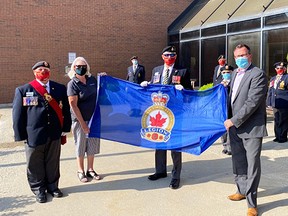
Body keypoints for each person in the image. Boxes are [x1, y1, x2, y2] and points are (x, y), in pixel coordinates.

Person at [12, 61, 72, 203]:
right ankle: (39, 189)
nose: (43, 71)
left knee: (53, 162)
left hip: (54, 133)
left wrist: (65, 129)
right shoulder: (23, 90)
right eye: (40, 69)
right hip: (33, 134)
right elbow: (18, 115)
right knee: (34, 164)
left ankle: (53, 187)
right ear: (34, 72)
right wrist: (20, 134)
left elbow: (65, 111)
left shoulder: (59, 88)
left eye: (46, 69)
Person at [224, 44, 268, 216]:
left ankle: (252, 203)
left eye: (243, 55)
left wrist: (233, 120)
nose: (240, 59)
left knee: (252, 166)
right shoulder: (234, 73)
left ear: (250, 56)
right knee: (239, 162)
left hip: (251, 128)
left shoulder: (258, 74)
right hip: (234, 128)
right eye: (237, 56)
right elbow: (232, 99)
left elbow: (252, 102)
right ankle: (241, 191)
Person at [141, 45, 192, 189]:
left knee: (175, 145)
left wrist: (183, 89)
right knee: (159, 141)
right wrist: (146, 85)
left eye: (173, 55)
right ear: (162, 56)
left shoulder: (183, 71)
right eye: (167, 55)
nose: (170, 58)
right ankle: (160, 171)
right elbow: (154, 88)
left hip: (176, 114)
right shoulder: (156, 70)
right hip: (159, 112)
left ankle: (176, 176)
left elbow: (190, 93)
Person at [67, 57, 101, 183]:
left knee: (92, 145)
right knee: (81, 145)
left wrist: (104, 78)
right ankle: (80, 170)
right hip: (80, 120)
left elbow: (101, 91)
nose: (81, 68)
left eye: (83, 66)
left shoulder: (92, 80)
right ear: (73, 68)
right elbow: (73, 105)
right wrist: (83, 125)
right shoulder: (72, 84)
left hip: (93, 119)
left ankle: (90, 169)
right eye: (78, 66)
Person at [266, 62, 288, 143]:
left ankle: (283, 137)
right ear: (275, 69)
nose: (279, 70)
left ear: (285, 69)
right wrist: (268, 102)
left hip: (284, 103)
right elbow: (270, 91)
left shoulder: (286, 77)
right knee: (277, 120)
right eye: (278, 68)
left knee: (284, 120)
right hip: (275, 103)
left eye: (281, 68)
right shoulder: (273, 79)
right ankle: (277, 136)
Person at [220, 65, 234, 155]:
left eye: (228, 72)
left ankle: (230, 147)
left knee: (231, 128)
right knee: (223, 129)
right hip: (222, 109)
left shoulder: (234, 82)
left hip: (232, 108)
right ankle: (224, 145)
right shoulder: (219, 82)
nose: (226, 74)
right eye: (224, 73)